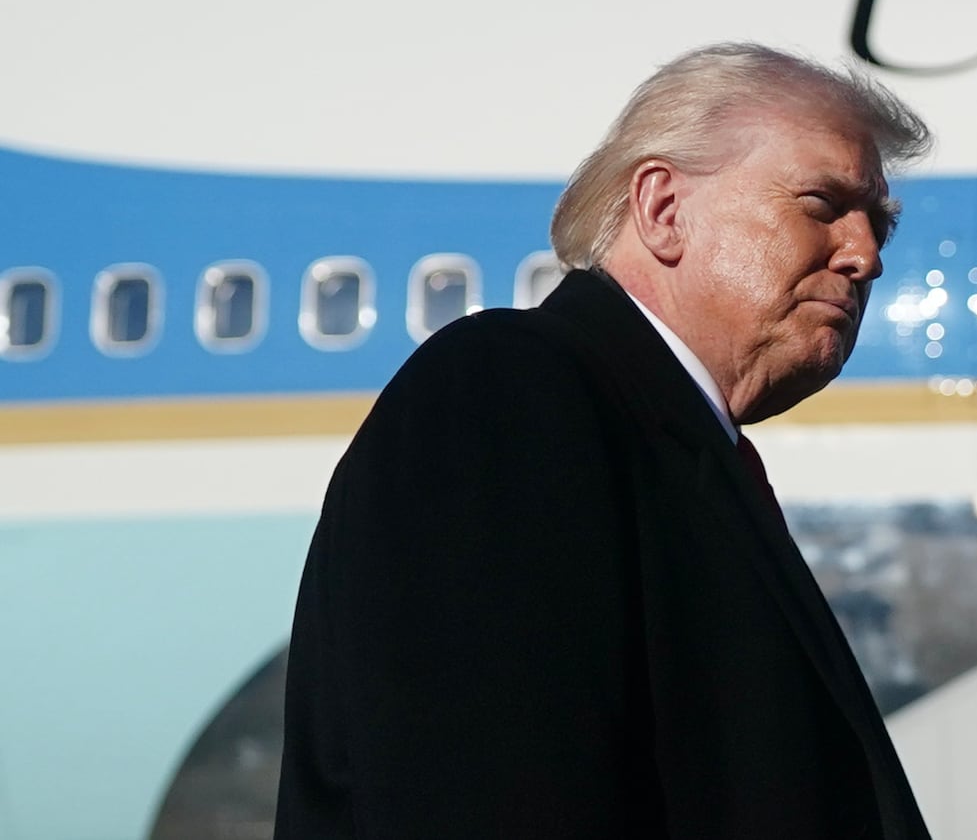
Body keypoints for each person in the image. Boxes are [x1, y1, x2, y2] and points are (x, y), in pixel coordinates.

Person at [273, 42, 934, 839]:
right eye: (823, 204)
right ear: (662, 210)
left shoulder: (681, 451)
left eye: (879, 226)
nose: (865, 256)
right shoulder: (509, 393)